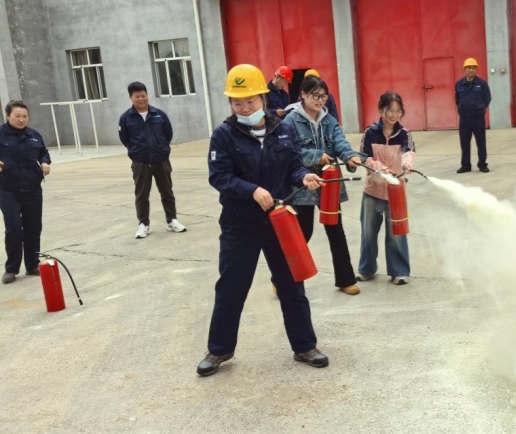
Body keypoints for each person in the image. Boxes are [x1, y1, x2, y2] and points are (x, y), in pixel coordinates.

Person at [198, 63, 328, 377]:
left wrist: (304, 176)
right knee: (231, 287)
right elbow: (219, 177)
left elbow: (294, 165)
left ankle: (305, 346)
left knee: (291, 285)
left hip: (279, 219)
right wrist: (251, 190)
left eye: (250, 101)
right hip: (240, 223)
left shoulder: (282, 129)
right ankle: (219, 350)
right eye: (237, 102)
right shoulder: (224, 135)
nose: (244, 108)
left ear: (262, 97)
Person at [283, 75, 362, 295]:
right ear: (303, 94)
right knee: (303, 233)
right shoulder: (290, 121)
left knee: (336, 230)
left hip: (329, 184)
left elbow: (339, 142)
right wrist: (317, 157)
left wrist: (349, 156)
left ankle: (345, 280)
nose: (320, 101)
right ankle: (281, 278)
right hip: (303, 185)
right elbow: (289, 151)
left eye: (324, 97)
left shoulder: (329, 120)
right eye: (315, 96)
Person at [357, 91, 415, 285]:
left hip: (395, 191)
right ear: (381, 109)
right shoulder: (370, 132)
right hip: (372, 190)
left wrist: (407, 163)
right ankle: (366, 269)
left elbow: (408, 152)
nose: (394, 115)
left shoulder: (404, 133)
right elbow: (363, 157)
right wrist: (378, 167)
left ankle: (399, 271)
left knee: (396, 232)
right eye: (390, 110)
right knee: (368, 232)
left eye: (398, 111)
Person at [118, 82, 186, 239]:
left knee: (167, 191)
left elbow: (168, 134)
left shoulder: (159, 115)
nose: (141, 99)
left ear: (147, 95)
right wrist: (137, 152)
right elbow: (125, 139)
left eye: (143, 95)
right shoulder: (125, 118)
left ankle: (172, 220)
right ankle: (144, 224)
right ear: (131, 98)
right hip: (140, 162)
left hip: (160, 160)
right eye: (137, 96)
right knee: (142, 194)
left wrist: (161, 149)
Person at [0, 100, 51, 284]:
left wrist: (45, 162)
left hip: (32, 188)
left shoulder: (33, 135)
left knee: (33, 227)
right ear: (8, 116)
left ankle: (32, 264)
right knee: (13, 228)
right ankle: (11, 268)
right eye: (17, 116)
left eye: (25, 116)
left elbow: (43, 152)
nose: (21, 120)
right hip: (7, 188)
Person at [455, 57, 491, 173]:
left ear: (476, 70)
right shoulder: (459, 84)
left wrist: (480, 108)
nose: (471, 70)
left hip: (478, 118)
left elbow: (487, 98)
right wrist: (462, 109)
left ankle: (482, 164)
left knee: (481, 142)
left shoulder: (482, 84)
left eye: (473, 68)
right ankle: (466, 165)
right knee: (464, 143)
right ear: (465, 69)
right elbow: (457, 99)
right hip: (464, 119)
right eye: (469, 68)